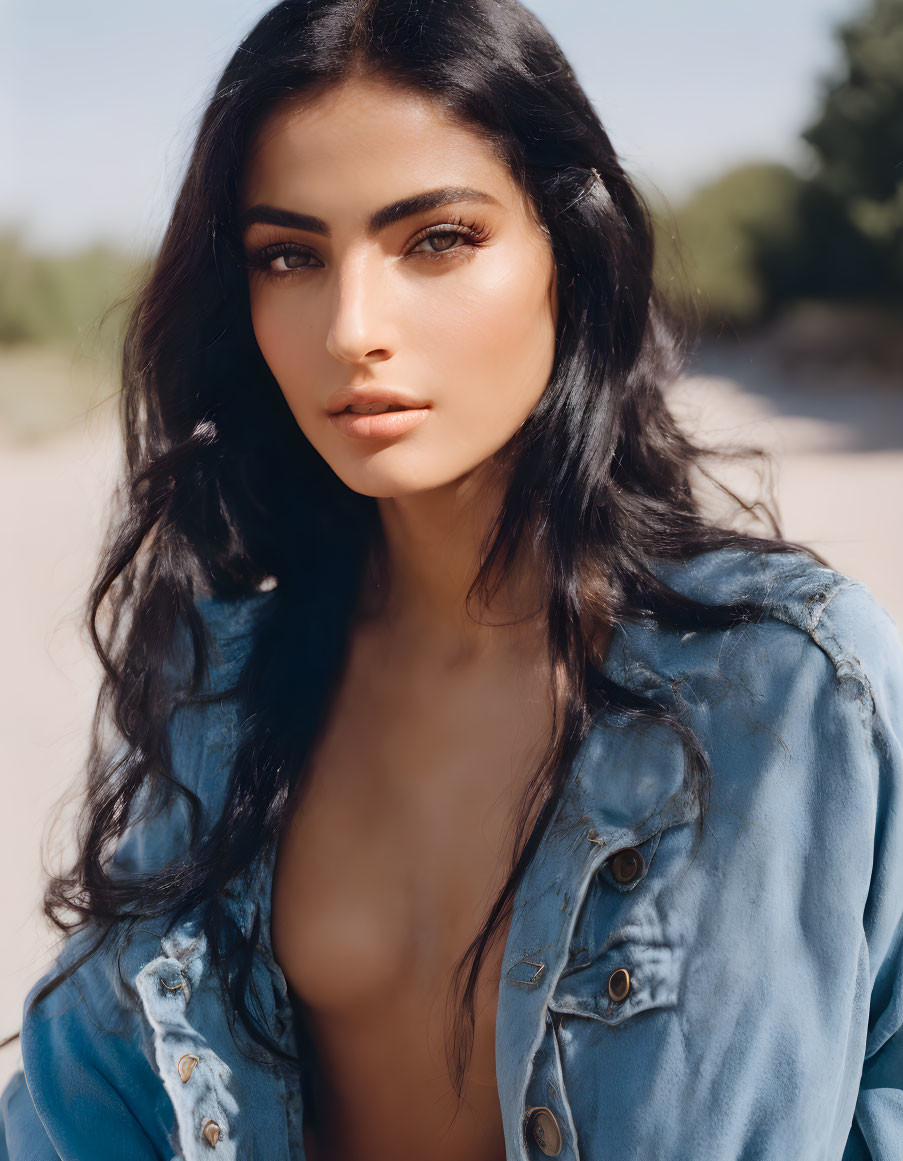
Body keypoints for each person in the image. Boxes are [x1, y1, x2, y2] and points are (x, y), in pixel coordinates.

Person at [2, 1, 902, 1158]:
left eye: (437, 239)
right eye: (291, 256)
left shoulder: (781, 691)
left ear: (564, 257)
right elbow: (86, 1115)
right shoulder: (207, 693)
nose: (353, 326)